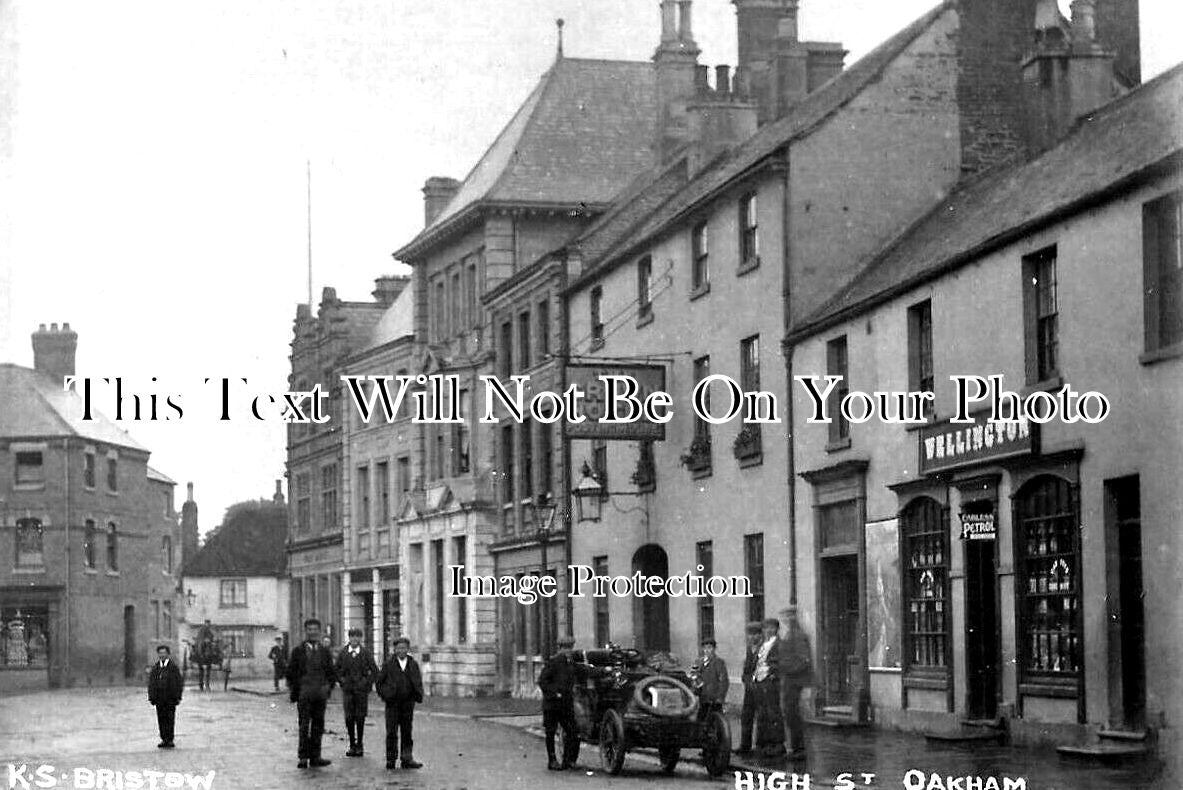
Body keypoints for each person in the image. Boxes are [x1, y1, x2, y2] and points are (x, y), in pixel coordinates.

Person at [285, 618, 338, 769]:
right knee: (304, 725)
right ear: (305, 631)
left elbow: (331, 672)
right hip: (304, 693)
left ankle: (316, 756)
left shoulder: (324, 651)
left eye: (315, 629)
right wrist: (296, 690)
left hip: (320, 694)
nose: (313, 632)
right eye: (310, 629)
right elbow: (290, 673)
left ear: (319, 632)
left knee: (318, 725)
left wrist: (328, 687)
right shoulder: (298, 651)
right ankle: (303, 757)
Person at [375, 636, 423, 770]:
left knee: (407, 732)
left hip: (408, 703)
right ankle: (391, 759)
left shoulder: (413, 664)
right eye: (398, 648)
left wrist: (417, 695)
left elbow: (417, 680)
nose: (401, 651)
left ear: (408, 649)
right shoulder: (388, 664)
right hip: (392, 704)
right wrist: (386, 695)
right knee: (391, 732)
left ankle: (407, 758)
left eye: (404, 648)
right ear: (394, 650)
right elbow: (379, 682)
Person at [537, 635, 579, 771]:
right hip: (552, 704)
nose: (568, 651)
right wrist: (555, 693)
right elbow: (542, 681)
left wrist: (603, 671)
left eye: (570, 648)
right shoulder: (553, 662)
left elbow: (583, 671)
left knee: (572, 731)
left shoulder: (571, 663)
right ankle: (552, 759)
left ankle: (568, 760)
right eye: (565, 648)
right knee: (550, 732)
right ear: (560, 648)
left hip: (566, 705)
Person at [336, 627, 378, 757]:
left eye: (357, 637)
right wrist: (342, 681)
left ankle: (360, 744)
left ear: (361, 638)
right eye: (352, 636)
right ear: (349, 638)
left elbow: (375, 671)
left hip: (361, 691)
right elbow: (336, 670)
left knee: (360, 717)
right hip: (348, 691)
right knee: (349, 718)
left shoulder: (366, 653)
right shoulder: (343, 653)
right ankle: (352, 744)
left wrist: (366, 682)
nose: (355, 639)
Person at [778, 608, 812, 760]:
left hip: (794, 680)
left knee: (792, 714)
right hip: (790, 680)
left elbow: (804, 660)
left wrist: (786, 668)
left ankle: (799, 749)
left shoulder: (797, 635)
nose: (784, 619)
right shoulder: (791, 633)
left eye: (787, 616)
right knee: (790, 713)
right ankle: (795, 747)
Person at [754, 617, 785, 757]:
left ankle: (777, 744)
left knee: (773, 713)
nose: (769, 630)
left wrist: (772, 673)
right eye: (766, 628)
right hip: (760, 682)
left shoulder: (779, 644)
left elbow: (781, 663)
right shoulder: (763, 644)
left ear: (777, 629)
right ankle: (763, 744)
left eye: (772, 628)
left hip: (771, 682)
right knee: (762, 713)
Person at [147, 645, 184, 749]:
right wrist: (152, 697)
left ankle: (170, 739)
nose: (162, 655)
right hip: (159, 699)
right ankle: (163, 738)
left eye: (164, 653)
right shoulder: (156, 668)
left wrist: (178, 697)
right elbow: (151, 684)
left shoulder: (173, 668)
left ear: (168, 654)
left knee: (170, 718)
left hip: (170, 698)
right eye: (160, 653)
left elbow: (179, 683)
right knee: (161, 718)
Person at [736, 622, 763, 754]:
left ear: (760, 635)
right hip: (749, 689)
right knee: (746, 717)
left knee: (762, 718)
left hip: (761, 689)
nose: (752, 637)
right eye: (750, 635)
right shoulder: (749, 650)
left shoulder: (763, 649)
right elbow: (746, 669)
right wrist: (746, 680)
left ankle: (760, 746)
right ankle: (745, 746)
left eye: (755, 634)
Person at [693, 637, 729, 720]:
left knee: (716, 721)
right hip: (702, 697)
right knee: (700, 720)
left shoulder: (719, 662)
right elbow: (693, 676)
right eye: (704, 648)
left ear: (714, 649)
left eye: (709, 648)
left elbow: (724, 681)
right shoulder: (698, 662)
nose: (706, 650)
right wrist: (696, 685)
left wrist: (720, 698)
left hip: (714, 699)